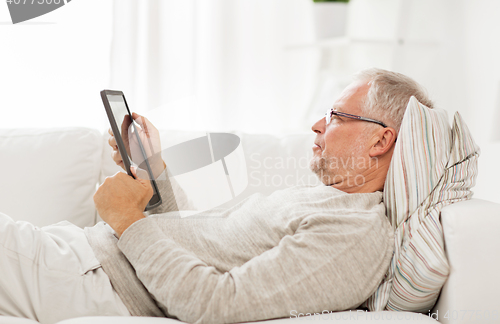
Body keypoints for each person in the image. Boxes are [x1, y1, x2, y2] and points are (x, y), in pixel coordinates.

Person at [0, 68, 434, 324]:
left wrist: (129, 222)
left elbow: (214, 303)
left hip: (91, 280)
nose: (317, 126)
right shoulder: (329, 203)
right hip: (80, 259)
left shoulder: (355, 235)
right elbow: (194, 244)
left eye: (334, 116)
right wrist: (154, 172)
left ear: (381, 141)